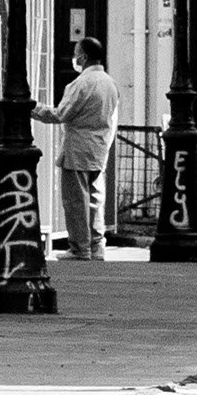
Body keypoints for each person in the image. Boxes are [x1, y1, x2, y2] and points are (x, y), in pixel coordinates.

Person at [32, 35, 120, 261]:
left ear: (83, 57)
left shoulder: (80, 84)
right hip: (99, 148)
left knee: (75, 201)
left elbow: (62, 114)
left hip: (77, 149)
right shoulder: (110, 83)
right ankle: (97, 245)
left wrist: (34, 108)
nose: (74, 57)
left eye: (76, 53)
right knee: (94, 199)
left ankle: (80, 248)